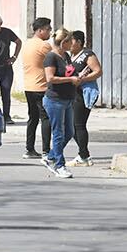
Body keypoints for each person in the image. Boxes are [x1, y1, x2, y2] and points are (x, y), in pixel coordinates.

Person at [41, 27, 79, 179]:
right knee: (58, 133)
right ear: (64, 42)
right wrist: (70, 79)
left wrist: (77, 77)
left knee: (69, 132)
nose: (73, 44)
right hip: (54, 100)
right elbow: (50, 78)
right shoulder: (51, 57)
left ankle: (50, 157)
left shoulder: (66, 56)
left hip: (68, 98)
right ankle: (59, 165)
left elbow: (69, 72)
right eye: (70, 41)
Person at [19, 17, 53, 160]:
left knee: (32, 118)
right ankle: (46, 150)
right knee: (46, 118)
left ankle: (30, 148)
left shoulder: (27, 44)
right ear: (40, 30)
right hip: (41, 86)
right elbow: (56, 60)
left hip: (28, 86)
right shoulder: (44, 46)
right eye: (48, 29)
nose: (50, 32)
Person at [69, 30, 103, 165]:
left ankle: (84, 155)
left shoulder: (87, 54)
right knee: (71, 125)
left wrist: (82, 79)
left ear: (78, 42)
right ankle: (83, 153)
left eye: (71, 41)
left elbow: (98, 71)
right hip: (74, 93)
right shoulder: (71, 55)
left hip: (85, 93)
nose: (69, 44)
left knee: (78, 124)